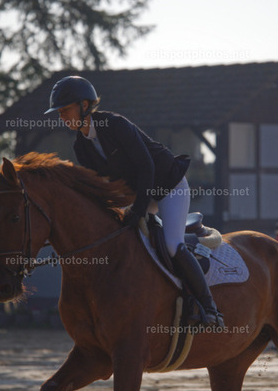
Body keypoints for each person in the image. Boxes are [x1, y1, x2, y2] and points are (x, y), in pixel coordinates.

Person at [45, 76, 223, 327]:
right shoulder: (81, 146)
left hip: (168, 186)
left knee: (172, 244)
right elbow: (99, 188)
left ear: (84, 105)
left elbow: (146, 166)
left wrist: (138, 210)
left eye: (65, 109)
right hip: (139, 193)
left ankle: (209, 307)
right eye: (59, 112)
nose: (61, 116)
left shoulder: (115, 124)